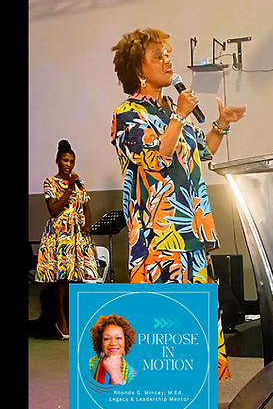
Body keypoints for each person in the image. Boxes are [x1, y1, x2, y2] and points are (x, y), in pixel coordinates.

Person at [110, 28, 246, 380]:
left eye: (168, 53)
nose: (168, 60)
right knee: (162, 320)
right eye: (158, 55)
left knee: (199, 316)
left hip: (192, 231)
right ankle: (164, 396)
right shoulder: (127, 115)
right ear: (139, 69)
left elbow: (201, 153)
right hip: (157, 238)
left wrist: (221, 124)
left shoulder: (175, 110)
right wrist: (178, 117)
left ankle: (199, 392)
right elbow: (157, 159)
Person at [35, 140, 99, 339]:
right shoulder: (50, 182)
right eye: (65, 160)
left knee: (78, 278)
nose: (68, 164)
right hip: (59, 237)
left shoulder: (80, 185)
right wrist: (69, 188)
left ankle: (75, 320)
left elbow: (86, 208)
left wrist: (88, 225)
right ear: (57, 161)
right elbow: (53, 210)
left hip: (78, 237)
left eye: (71, 161)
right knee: (61, 279)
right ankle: (61, 323)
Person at [89, 314, 138, 385]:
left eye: (118, 338)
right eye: (107, 338)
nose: (113, 343)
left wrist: (116, 375)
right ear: (101, 342)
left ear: (126, 341)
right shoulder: (88, 366)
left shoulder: (133, 375)